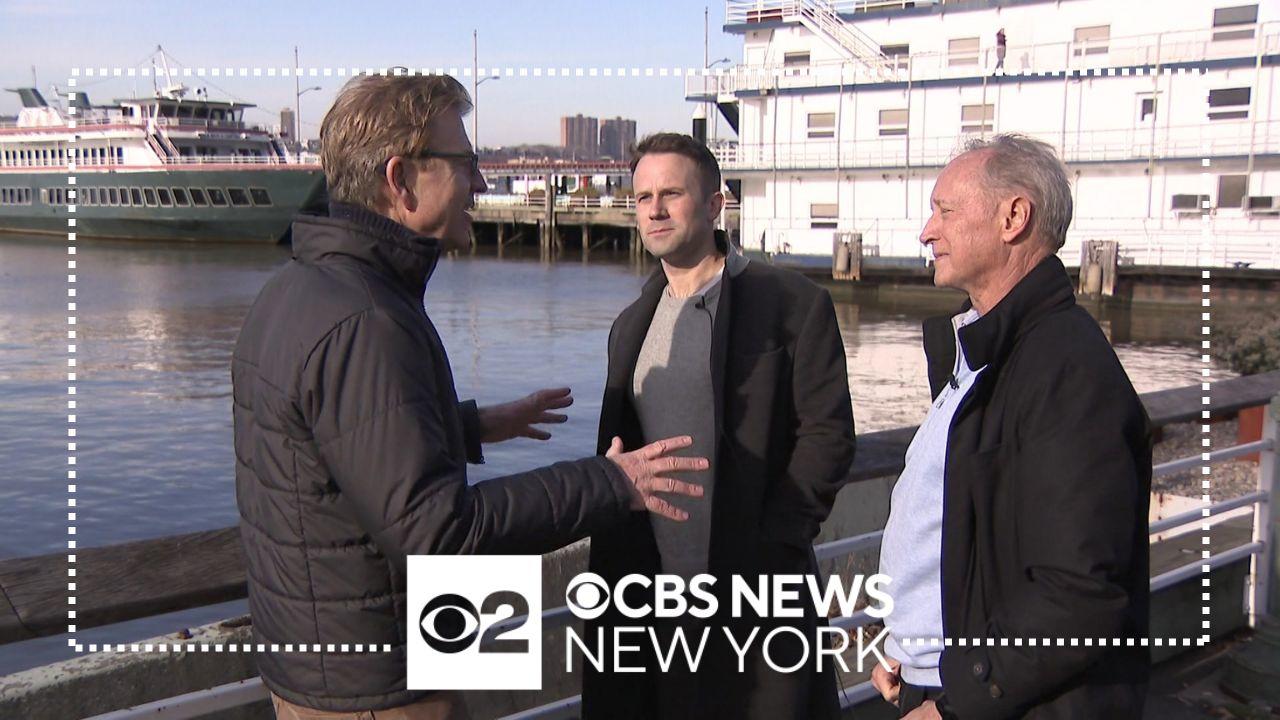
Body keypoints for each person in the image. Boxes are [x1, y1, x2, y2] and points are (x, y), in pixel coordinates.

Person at [232, 75, 708, 720]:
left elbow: (331, 449)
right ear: (400, 179)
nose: (480, 183)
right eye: (464, 162)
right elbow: (438, 536)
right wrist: (611, 483)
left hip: (325, 664)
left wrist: (471, 427)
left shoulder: (299, 289)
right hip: (382, 684)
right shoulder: (368, 319)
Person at [872, 134, 1151, 719]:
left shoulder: (1065, 369)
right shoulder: (983, 353)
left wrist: (957, 705)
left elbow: (1078, 592)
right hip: (942, 679)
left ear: (1013, 218)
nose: (927, 231)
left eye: (946, 210)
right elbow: (963, 528)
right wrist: (910, 648)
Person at [581, 133, 857, 720]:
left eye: (672, 194)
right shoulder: (631, 324)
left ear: (714, 204)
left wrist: (776, 541)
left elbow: (827, 434)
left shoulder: (791, 302)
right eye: (643, 197)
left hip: (755, 591)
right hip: (653, 598)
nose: (654, 209)